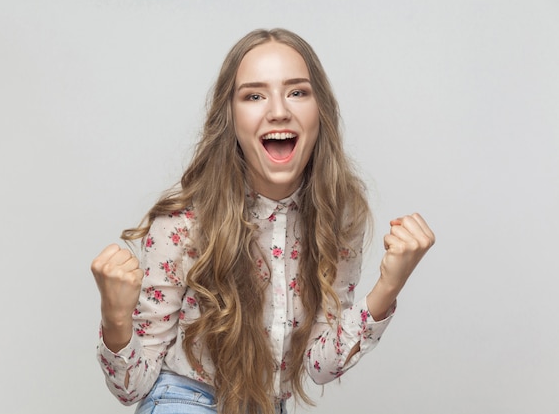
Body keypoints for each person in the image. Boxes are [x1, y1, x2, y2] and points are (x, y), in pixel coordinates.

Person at [91, 28, 435, 414]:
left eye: (297, 92)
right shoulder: (183, 223)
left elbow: (319, 366)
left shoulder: (339, 217)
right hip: (183, 401)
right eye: (254, 95)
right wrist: (115, 317)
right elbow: (131, 388)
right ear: (230, 117)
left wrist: (389, 286)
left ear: (320, 109)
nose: (278, 110)